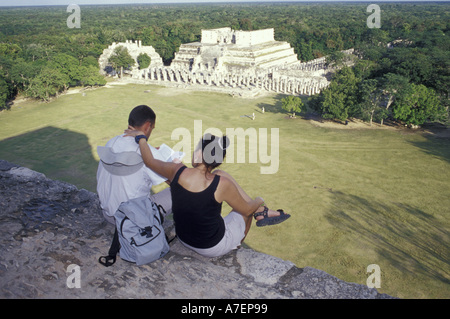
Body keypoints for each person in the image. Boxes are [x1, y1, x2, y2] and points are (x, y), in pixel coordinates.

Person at [124, 128, 290, 258]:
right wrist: (258, 200)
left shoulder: (177, 171)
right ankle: (248, 228)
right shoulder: (221, 185)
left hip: (184, 237)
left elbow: (149, 160)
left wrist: (141, 138)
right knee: (245, 210)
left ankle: (261, 213)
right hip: (209, 247)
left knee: (221, 177)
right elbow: (246, 210)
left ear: (200, 154)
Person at [96, 105, 174, 225]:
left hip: (108, 214)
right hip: (131, 220)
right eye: (152, 128)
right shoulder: (149, 152)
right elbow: (175, 180)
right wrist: (168, 160)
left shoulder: (111, 142)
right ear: (147, 126)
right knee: (180, 190)